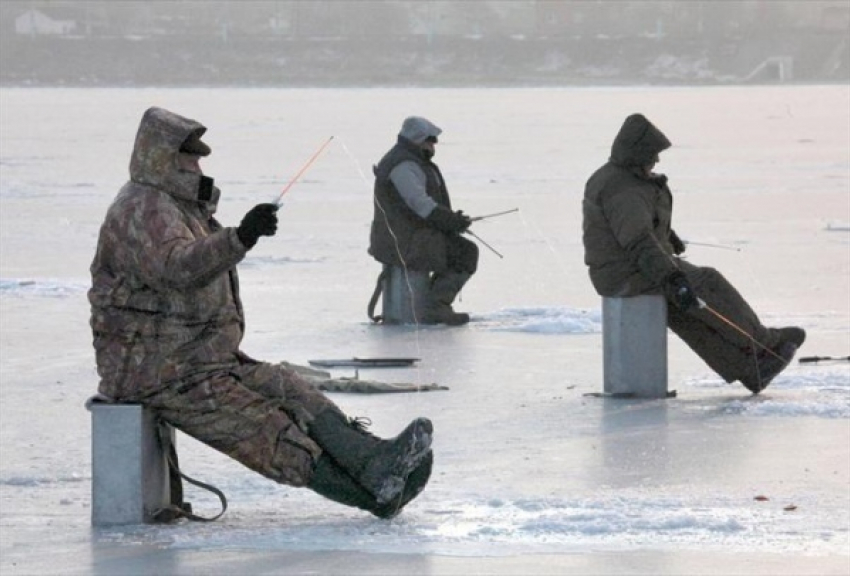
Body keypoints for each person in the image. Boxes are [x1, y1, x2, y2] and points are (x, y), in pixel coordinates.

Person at [88, 106, 434, 519]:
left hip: (198, 360)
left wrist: (238, 235)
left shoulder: (178, 206)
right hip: (156, 372)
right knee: (263, 429)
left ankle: (374, 462)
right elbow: (177, 267)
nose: (197, 166)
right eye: (189, 158)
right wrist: (241, 236)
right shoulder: (142, 209)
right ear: (162, 158)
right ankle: (373, 493)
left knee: (290, 389)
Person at [582, 113, 806, 394]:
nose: (657, 160)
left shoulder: (620, 178)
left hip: (621, 269)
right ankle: (764, 344)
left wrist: (666, 236)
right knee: (706, 282)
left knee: (683, 308)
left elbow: (633, 227)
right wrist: (673, 278)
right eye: (653, 153)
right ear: (638, 152)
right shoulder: (623, 187)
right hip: (626, 272)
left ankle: (750, 368)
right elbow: (638, 240)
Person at [369, 116, 479, 325]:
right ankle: (436, 307)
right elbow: (420, 204)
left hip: (405, 237)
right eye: (431, 140)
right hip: (404, 241)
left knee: (460, 249)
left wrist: (452, 220)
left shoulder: (409, 160)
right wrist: (450, 221)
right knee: (465, 252)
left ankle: (435, 305)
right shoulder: (404, 165)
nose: (433, 145)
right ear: (419, 139)